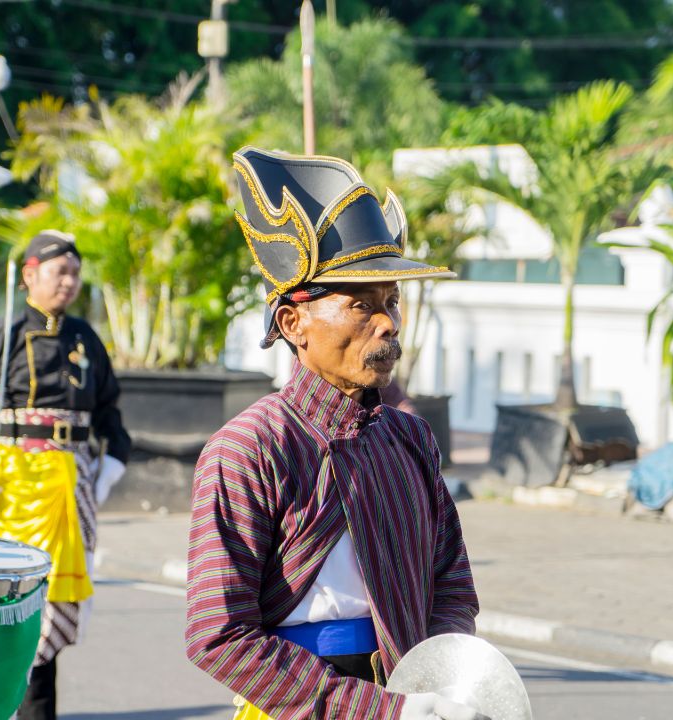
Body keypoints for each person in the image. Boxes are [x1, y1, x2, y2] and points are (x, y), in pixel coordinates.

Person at [185, 147, 483, 720]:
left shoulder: (410, 439)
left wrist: (440, 680)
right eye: (360, 304)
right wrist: (370, 709)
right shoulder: (249, 447)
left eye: (392, 302)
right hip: (299, 702)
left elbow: (452, 583)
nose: (389, 322)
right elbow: (217, 632)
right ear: (294, 323)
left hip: (411, 693)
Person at [0, 230, 132, 720]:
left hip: (74, 483)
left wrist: (113, 462)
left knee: (56, 615)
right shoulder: (3, 334)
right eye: (60, 271)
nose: (69, 281)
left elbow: (109, 410)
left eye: (75, 273)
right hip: (16, 485)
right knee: (19, 612)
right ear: (29, 275)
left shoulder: (84, 337)